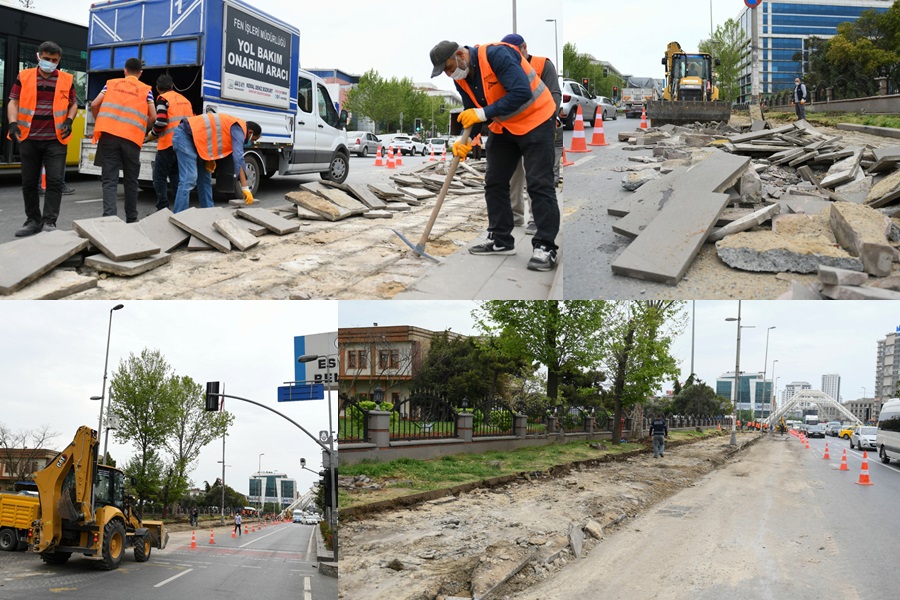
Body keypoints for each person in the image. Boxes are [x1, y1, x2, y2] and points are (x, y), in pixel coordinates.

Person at [430, 39, 560, 271]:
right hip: (506, 127)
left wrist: (482, 114)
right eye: (446, 72)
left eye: (450, 67)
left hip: (537, 120)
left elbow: (520, 92)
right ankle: (501, 240)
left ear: (460, 54)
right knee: (494, 182)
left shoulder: (497, 55)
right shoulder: (462, 78)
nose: (450, 74)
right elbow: (473, 113)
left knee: (539, 183)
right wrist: (466, 139)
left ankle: (545, 246)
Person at [8, 40, 79, 237]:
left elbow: (73, 104)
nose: (50, 62)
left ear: (59, 60)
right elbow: (13, 101)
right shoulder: (24, 76)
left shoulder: (66, 79)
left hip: (55, 140)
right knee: (29, 183)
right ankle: (33, 220)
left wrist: (70, 120)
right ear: (39, 57)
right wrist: (13, 123)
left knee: (55, 182)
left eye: (54, 60)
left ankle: (49, 223)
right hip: (29, 138)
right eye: (46, 59)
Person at [500, 33, 563, 235]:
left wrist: (547, 119)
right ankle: (515, 216)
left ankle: (536, 219)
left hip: (537, 128)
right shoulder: (504, 66)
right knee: (512, 175)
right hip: (513, 128)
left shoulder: (543, 65)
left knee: (536, 176)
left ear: (524, 48)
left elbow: (555, 93)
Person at [91, 57, 155, 223]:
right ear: (140, 73)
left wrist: (101, 121)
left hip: (109, 136)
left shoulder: (111, 84)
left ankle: (109, 219)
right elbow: (153, 116)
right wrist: (141, 128)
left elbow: (95, 104)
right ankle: (131, 219)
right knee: (131, 181)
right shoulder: (146, 89)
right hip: (132, 139)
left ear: (124, 70)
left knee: (110, 180)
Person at [171, 112, 261, 213]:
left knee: (205, 179)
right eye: (253, 139)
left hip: (196, 141)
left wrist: (210, 158)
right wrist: (245, 187)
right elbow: (238, 157)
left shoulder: (234, 126)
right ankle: (179, 215)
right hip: (185, 136)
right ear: (250, 132)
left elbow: (213, 139)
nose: (251, 142)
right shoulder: (239, 129)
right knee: (189, 178)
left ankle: (209, 213)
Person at [146, 74, 194, 211]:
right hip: (183, 145)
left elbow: (160, 121)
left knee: (159, 177)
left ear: (157, 88)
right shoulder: (186, 100)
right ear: (172, 86)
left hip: (168, 143)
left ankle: (163, 208)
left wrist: (152, 134)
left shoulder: (163, 99)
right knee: (176, 176)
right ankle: (179, 207)